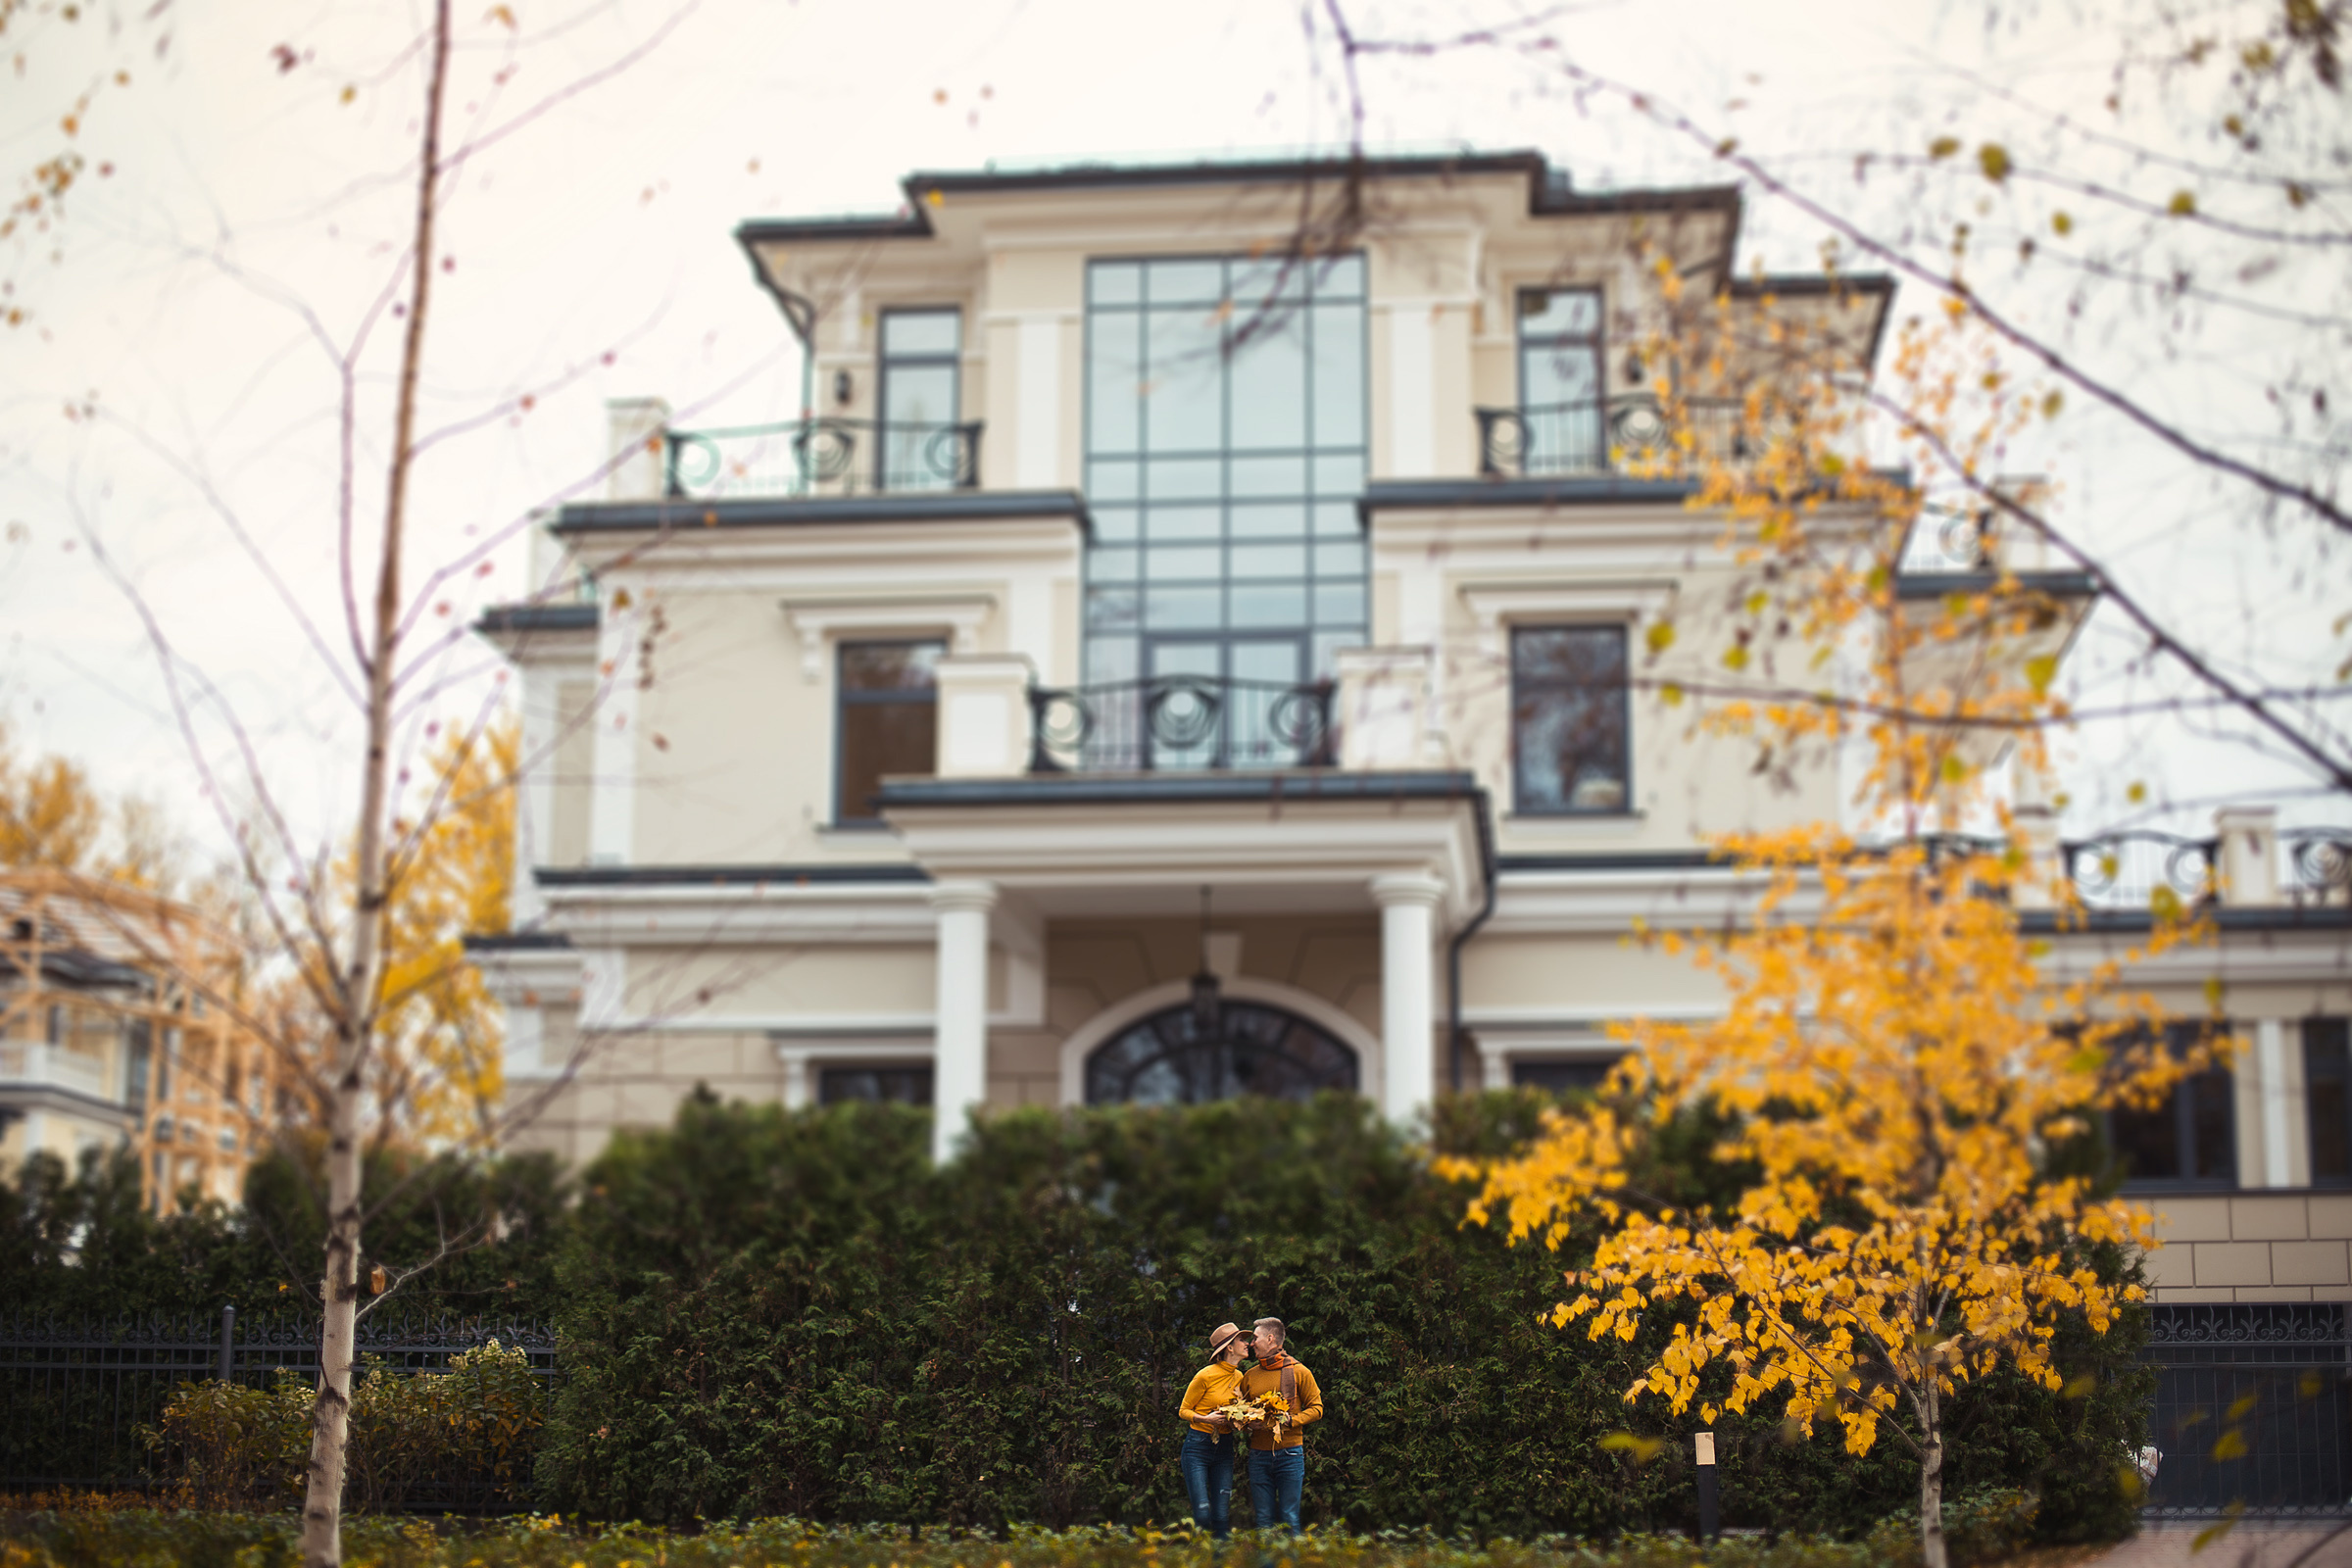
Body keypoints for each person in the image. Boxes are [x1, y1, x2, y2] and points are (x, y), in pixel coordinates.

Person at [1239, 1316, 1321, 1533]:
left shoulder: (1299, 1371)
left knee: (1289, 1516)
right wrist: (1248, 1424)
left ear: (1270, 1338)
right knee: (1263, 1518)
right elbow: (1242, 1413)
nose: (1251, 1343)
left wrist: (1292, 1420)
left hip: (1291, 1454)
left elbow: (1317, 1408)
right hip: (1258, 1455)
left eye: (1255, 1338)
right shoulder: (1249, 1376)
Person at [1176, 1320, 1250, 1540]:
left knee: (1221, 1516)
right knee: (1202, 1513)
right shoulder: (1205, 1375)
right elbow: (1183, 1410)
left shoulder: (1240, 1377)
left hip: (1224, 1449)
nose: (1247, 1344)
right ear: (1229, 1347)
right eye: (1242, 1340)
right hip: (1197, 1447)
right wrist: (1206, 1419)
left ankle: (1220, 1561)